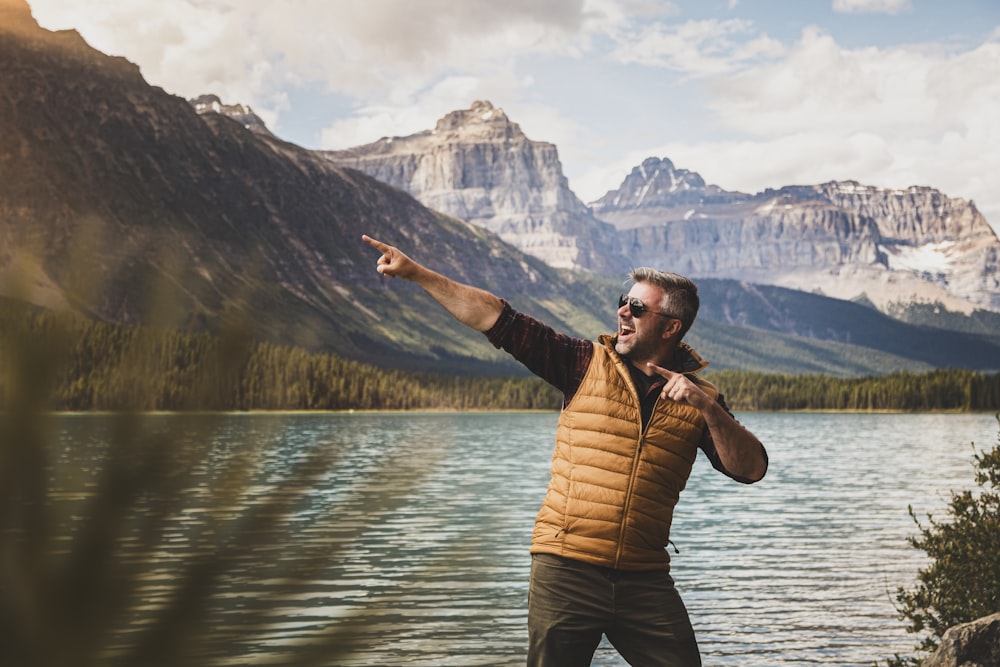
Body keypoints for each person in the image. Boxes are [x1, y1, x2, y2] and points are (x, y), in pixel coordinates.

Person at [362, 234, 768, 667]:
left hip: (645, 578)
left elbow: (751, 470)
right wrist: (416, 273)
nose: (622, 312)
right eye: (623, 301)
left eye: (637, 308)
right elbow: (496, 318)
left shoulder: (701, 398)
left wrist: (707, 408)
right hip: (566, 569)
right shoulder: (581, 362)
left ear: (670, 327)